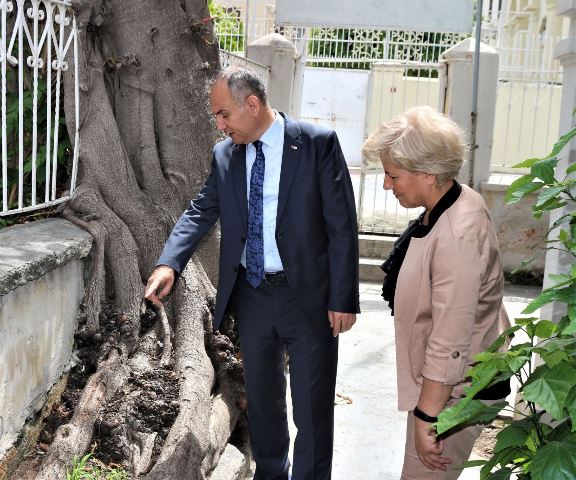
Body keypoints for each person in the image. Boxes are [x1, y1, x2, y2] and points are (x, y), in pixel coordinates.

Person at [145, 66, 360, 480]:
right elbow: (201, 209)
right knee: (263, 404)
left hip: (309, 299)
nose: (220, 125)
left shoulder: (316, 144)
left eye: (224, 114)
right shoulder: (226, 155)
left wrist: (343, 297)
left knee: (312, 407)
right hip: (254, 295)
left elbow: (341, 226)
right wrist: (169, 262)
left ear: (253, 104)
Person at [361, 106, 510, 479]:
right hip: (447, 384)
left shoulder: (457, 233)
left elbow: (450, 338)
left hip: (455, 392)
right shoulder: (448, 203)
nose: (386, 185)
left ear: (428, 174)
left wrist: (429, 417)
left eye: (393, 175)